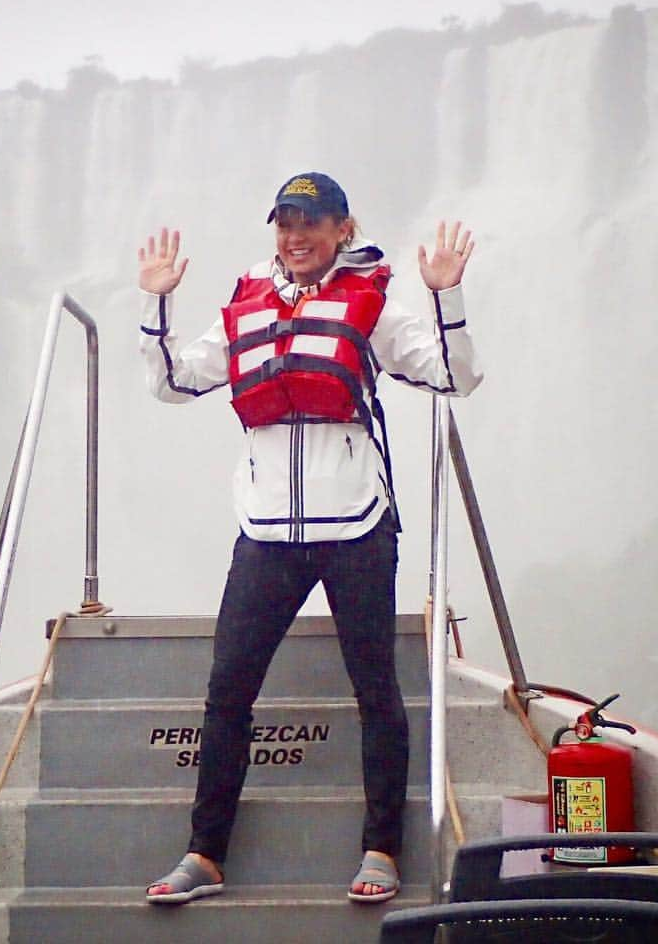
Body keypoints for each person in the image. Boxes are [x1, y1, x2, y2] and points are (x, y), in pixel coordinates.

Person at [138, 172, 482, 905]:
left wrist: (445, 294)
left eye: (310, 223)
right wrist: (156, 299)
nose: (294, 237)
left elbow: (457, 376)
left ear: (342, 229)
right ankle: (204, 855)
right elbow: (172, 381)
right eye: (284, 223)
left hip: (356, 524)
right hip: (266, 529)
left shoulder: (377, 300)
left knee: (376, 691)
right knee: (227, 690)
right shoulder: (248, 298)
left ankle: (382, 850)